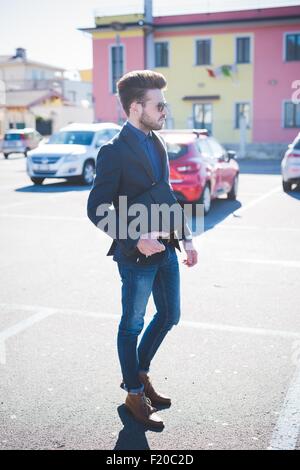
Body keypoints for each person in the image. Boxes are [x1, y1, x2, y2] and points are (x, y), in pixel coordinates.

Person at [87, 70, 198, 429]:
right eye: (159, 105)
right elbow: (97, 207)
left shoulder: (157, 143)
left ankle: (141, 374)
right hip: (135, 256)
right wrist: (135, 237)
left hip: (166, 250)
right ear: (136, 108)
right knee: (132, 324)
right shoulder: (113, 151)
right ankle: (135, 393)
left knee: (170, 316)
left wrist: (187, 237)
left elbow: (165, 194)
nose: (165, 110)